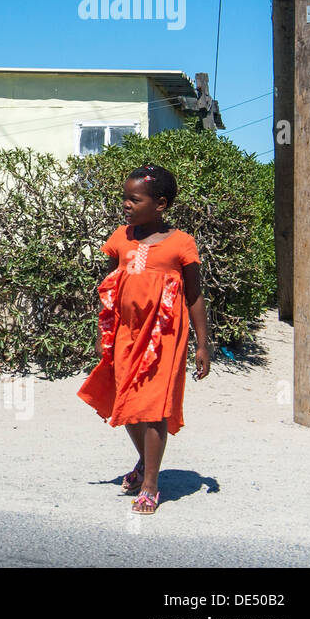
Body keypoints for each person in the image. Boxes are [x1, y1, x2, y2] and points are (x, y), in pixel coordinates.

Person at [77, 164, 211, 515]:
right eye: (124, 197)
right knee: (128, 405)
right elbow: (107, 291)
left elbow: (195, 295)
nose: (126, 204)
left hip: (164, 337)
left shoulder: (181, 244)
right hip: (124, 333)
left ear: (160, 204)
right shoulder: (121, 237)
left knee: (152, 410)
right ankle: (143, 462)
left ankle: (151, 485)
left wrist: (202, 344)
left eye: (133, 199)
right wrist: (100, 333)